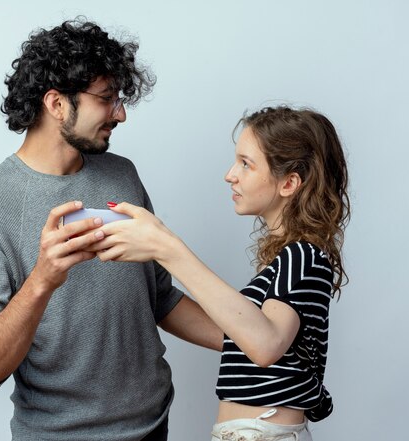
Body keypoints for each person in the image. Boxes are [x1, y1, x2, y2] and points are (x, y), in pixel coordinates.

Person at [0, 19, 222, 441]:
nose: (121, 114)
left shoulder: (122, 175)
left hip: (154, 424)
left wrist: (250, 340)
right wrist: (43, 280)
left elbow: (160, 298)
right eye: (107, 99)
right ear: (56, 103)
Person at [91, 106, 350, 440]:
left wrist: (167, 248)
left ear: (289, 183)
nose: (231, 174)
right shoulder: (289, 261)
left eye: (246, 163)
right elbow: (246, 334)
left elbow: (266, 344)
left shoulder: (302, 255)